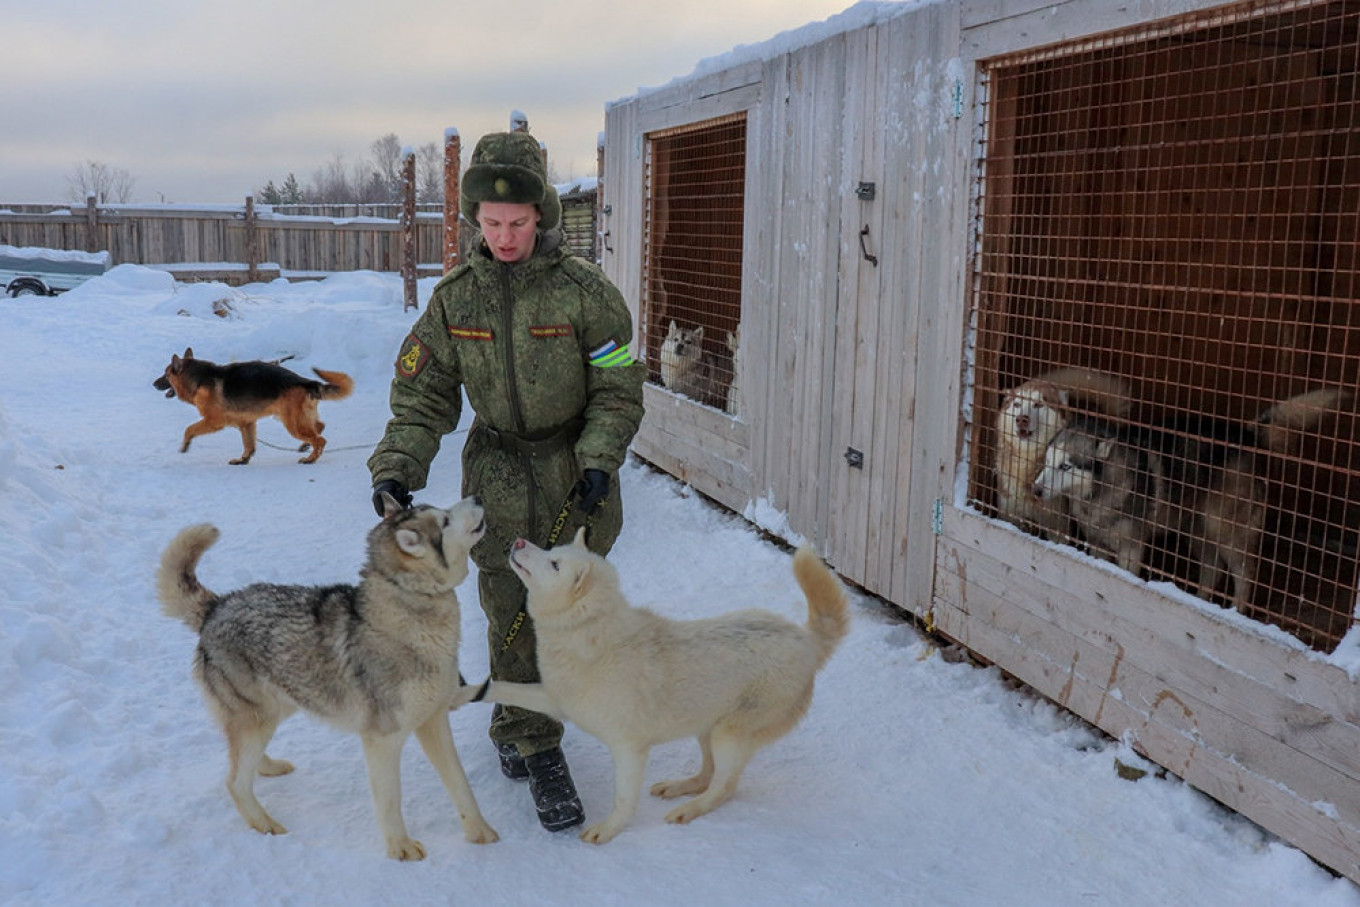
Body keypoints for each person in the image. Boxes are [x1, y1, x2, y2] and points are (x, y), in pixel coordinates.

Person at [367, 131, 646, 832]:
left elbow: (618, 386)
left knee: (569, 614)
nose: (505, 236)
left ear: (542, 213)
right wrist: (397, 465)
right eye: (491, 225)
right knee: (507, 609)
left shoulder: (587, 293)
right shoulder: (457, 300)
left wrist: (599, 459)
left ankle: (545, 715)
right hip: (494, 474)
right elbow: (423, 396)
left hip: (570, 472)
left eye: (518, 222)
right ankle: (532, 737)